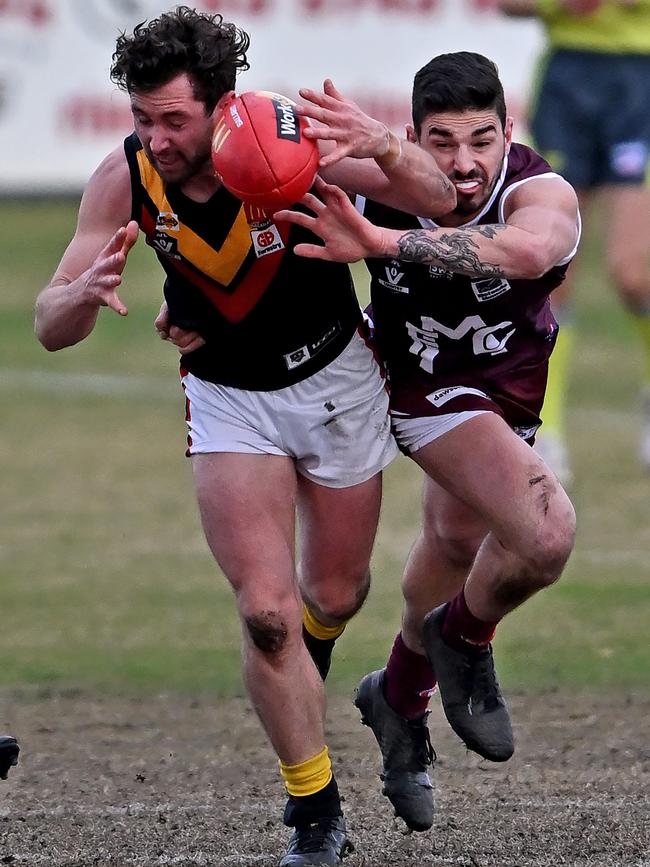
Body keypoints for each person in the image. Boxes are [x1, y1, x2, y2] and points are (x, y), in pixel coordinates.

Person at [33, 7, 455, 865]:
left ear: (220, 104)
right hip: (227, 396)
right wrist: (81, 296)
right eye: (142, 117)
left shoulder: (281, 141)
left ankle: (307, 672)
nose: (154, 137)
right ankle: (314, 808)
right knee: (267, 613)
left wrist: (381, 145)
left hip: (336, 379)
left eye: (173, 120)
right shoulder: (124, 179)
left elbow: (438, 198)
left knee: (332, 597)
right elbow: (48, 323)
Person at [275, 51, 579, 833]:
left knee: (452, 540)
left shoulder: (541, 192)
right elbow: (271, 175)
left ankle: (400, 697)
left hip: (505, 390)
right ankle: (463, 639)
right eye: (441, 141)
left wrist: (380, 245)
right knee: (545, 533)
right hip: (415, 385)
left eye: (482, 139)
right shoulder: (389, 179)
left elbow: (528, 253)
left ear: (509, 131)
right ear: (413, 136)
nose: (465, 161)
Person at [498, 0, 650, 482]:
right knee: (551, 266)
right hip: (569, 79)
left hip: (640, 79)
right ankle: (545, 429)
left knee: (635, 273)